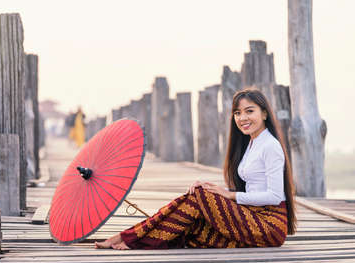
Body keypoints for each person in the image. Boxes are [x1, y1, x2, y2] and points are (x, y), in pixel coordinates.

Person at [95, 88, 297, 250]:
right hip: (251, 216)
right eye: (237, 113)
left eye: (249, 111)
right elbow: (253, 189)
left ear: (264, 113)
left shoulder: (270, 146)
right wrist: (219, 191)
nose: (242, 118)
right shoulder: (252, 143)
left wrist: (230, 196)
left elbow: (274, 195)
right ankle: (136, 238)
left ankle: (129, 237)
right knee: (194, 228)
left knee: (200, 196)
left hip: (268, 225)